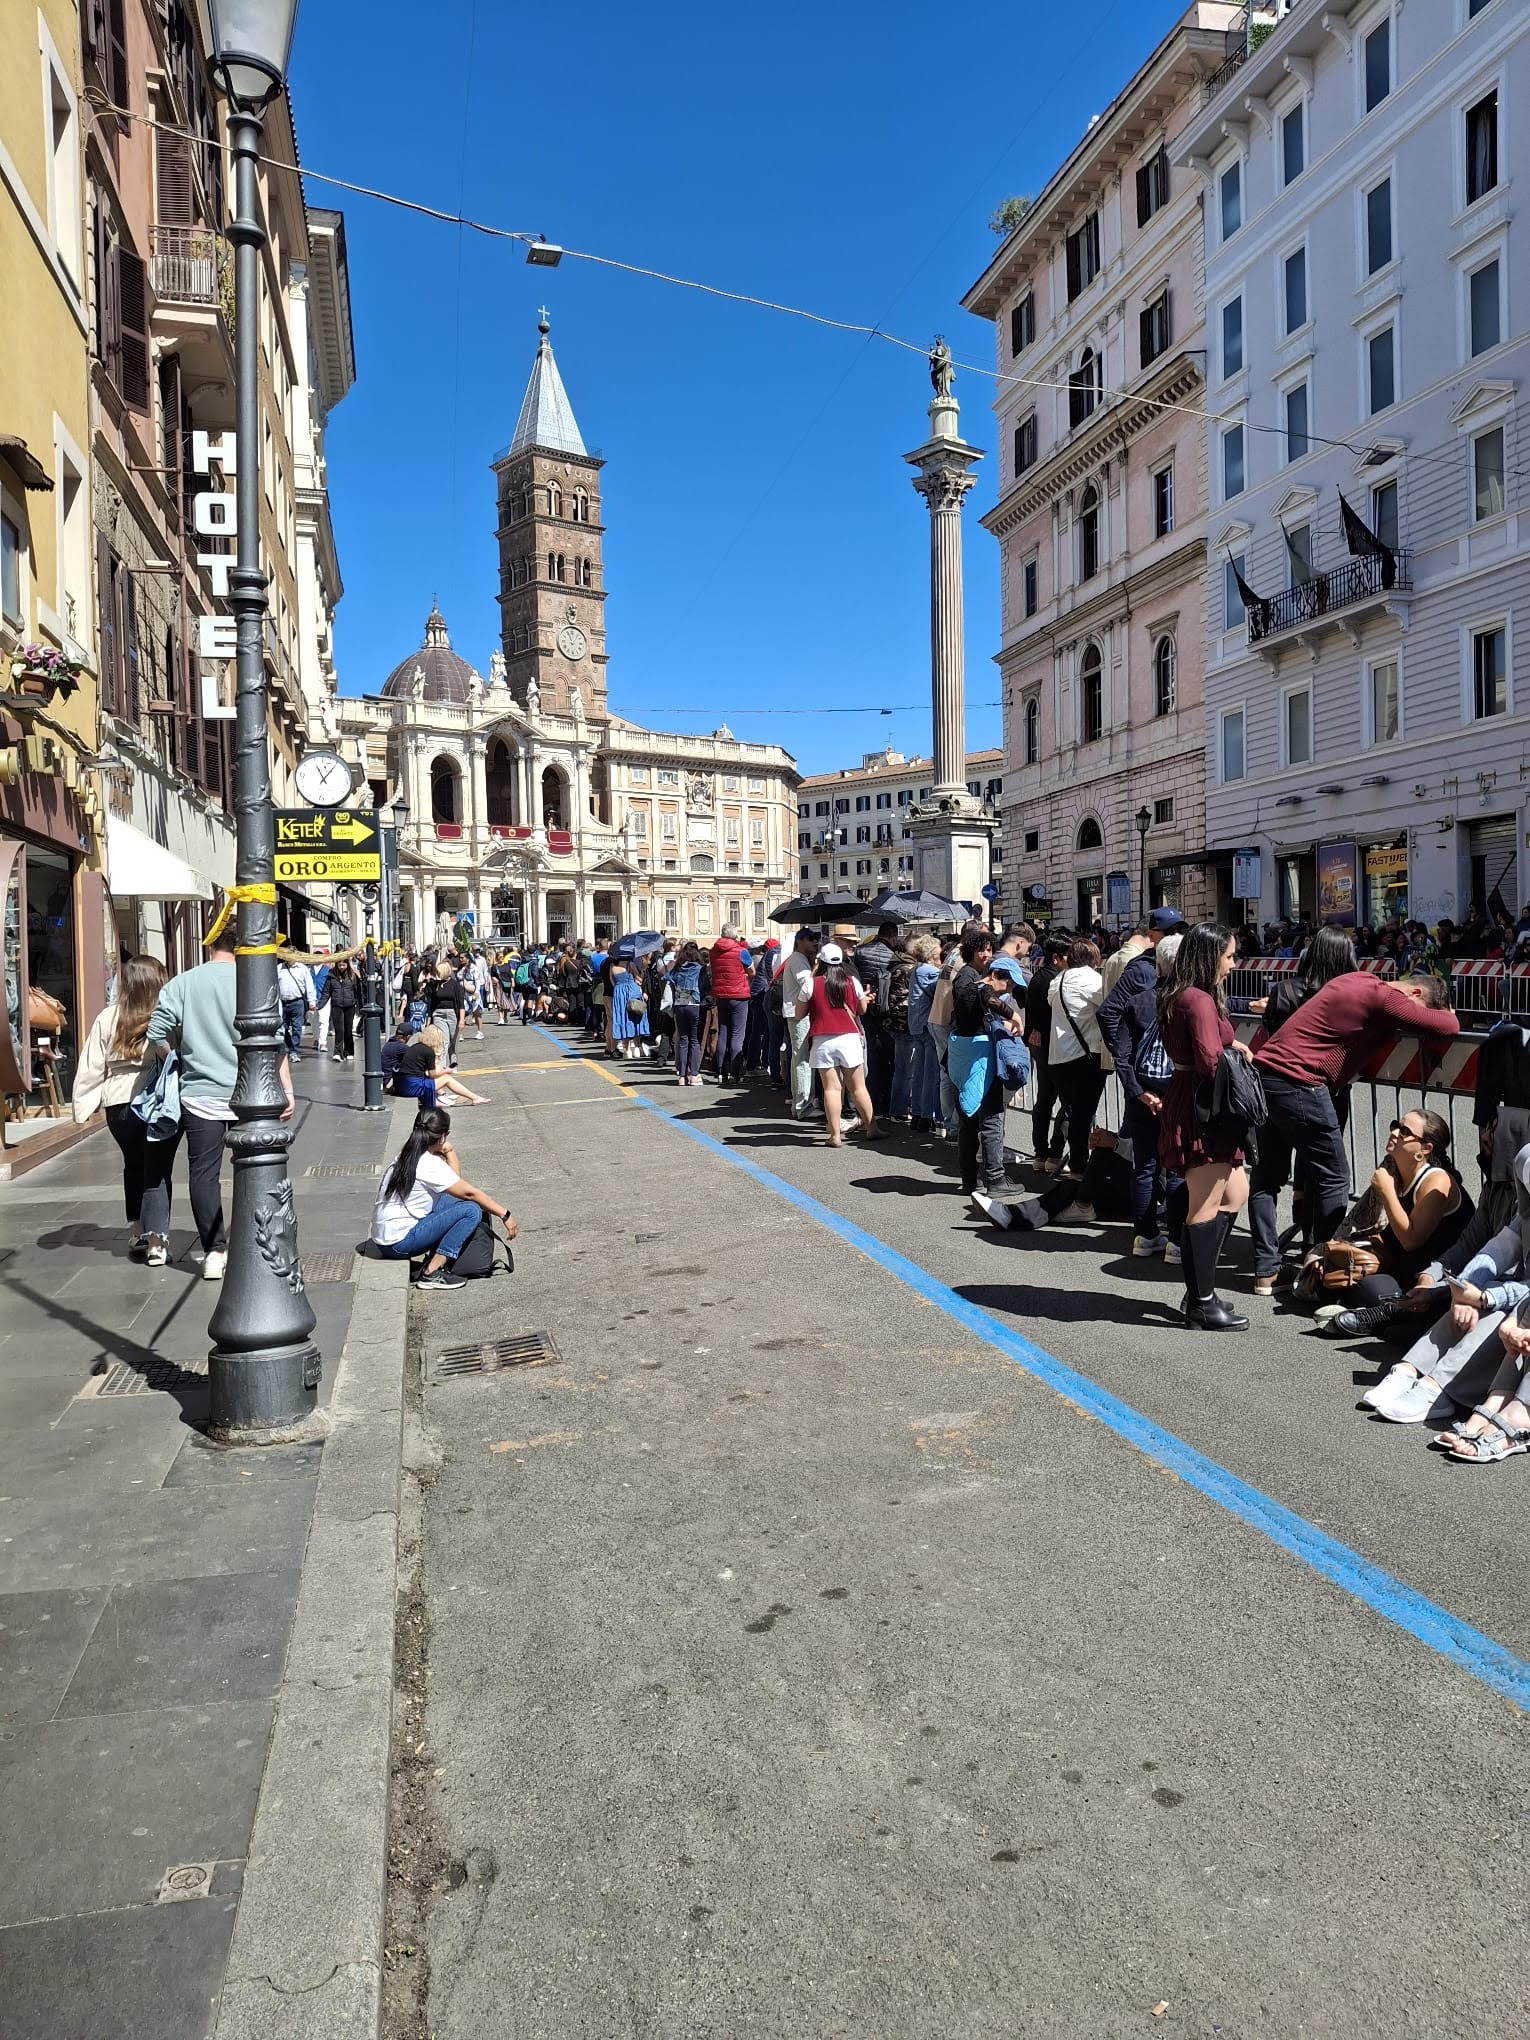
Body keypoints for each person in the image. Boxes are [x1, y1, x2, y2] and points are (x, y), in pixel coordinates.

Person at [1248, 968, 1461, 1296]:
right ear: (1416, 995)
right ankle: (1323, 1270)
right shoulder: (1384, 994)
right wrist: (1444, 1014)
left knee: (1267, 1177)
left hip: (1268, 1075)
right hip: (1301, 1081)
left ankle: (1266, 1270)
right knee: (1333, 1178)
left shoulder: (1356, 981)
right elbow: (1448, 1026)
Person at [146, 932, 295, 1278]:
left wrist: (176, 1058)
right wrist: (286, 1086)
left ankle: (214, 1250)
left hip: (200, 1094)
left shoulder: (183, 983)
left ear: (211, 946)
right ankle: (259, 1243)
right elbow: (275, 1040)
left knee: (203, 1173)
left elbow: (156, 1032)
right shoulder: (255, 983)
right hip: (252, 1091)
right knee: (256, 1168)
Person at [1157, 922, 1252, 1332]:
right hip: (1204, 1108)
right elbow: (1209, 1061)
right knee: (1205, 1204)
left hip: (1195, 1099)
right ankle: (1200, 1301)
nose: (1233, 963)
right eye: (1229, 956)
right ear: (1210, 956)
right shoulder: (1196, 1000)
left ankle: (1201, 1288)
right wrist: (1231, 1053)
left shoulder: (1188, 996)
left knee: (1236, 1192)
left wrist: (1231, 1044)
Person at [1307, 1111, 1471, 1320]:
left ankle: (1379, 1316)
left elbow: (1411, 1240)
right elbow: (1376, 1227)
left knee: (1370, 1290)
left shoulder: (1436, 1181)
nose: (1394, 1132)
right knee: (1336, 1277)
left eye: (1404, 1131)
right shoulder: (1394, 1169)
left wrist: (1386, 1191)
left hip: (1437, 1274)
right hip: (1405, 1264)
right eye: (1395, 1125)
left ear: (1425, 1148)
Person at [1097, 928, 1183, 1257]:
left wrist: (1135, 1090)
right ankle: (1176, 1240)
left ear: (1157, 965)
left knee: (1144, 1165)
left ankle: (1144, 1235)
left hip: (1142, 1091)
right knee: (1176, 1167)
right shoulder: (1190, 1001)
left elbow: (1122, 1049)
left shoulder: (1138, 1001)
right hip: (1176, 1094)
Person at [72, 955, 165, 1256]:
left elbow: (91, 1065)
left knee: (133, 1163)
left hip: (118, 1104)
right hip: (153, 1100)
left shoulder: (107, 1018)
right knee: (155, 1168)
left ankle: (137, 1227)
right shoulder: (162, 1016)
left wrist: (82, 1106)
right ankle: (155, 1240)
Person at [370, 1106, 516, 1290]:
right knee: (471, 1210)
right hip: (398, 1243)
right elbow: (468, 1191)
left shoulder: (409, 1153)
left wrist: (447, 1150)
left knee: (456, 1202)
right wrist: (505, 1214)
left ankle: (436, 1261)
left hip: (384, 1237)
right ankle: (432, 1272)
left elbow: (454, 1184)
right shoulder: (428, 1163)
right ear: (442, 1136)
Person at [948, 923, 1021, 1200]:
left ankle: (970, 1178)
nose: (988, 954)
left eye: (990, 949)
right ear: (972, 951)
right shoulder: (972, 979)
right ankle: (994, 1178)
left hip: (962, 1054)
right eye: (983, 949)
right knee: (989, 1119)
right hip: (976, 1055)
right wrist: (1012, 1014)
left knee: (968, 1118)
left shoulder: (967, 976)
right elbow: (986, 998)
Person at [793, 941, 877, 1147]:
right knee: (858, 1087)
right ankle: (872, 1128)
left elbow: (798, 1014)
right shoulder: (851, 981)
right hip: (849, 1038)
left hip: (822, 1039)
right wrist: (863, 999)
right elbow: (862, 1010)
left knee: (831, 1088)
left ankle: (835, 1135)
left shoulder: (811, 984)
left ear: (820, 961)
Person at [1047, 939, 1108, 1182]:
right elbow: (1109, 1004)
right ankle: (1080, 1168)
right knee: (1082, 1115)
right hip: (1085, 1055)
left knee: (1073, 1111)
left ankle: (1075, 1162)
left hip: (1059, 1055)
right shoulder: (1091, 979)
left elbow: (1052, 1002)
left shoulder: (1057, 980)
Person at [1024, 935, 1070, 1172]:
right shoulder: (1054, 981)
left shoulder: (1038, 977)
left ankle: (1040, 1153)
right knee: (1068, 1099)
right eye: (1067, 957)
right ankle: (1054, 1153)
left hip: (1039, 1042)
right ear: (1057, 958)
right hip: (1053, 1045)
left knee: (1044, 1098)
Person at [853, 920, 900, 1118]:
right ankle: (886, 1101)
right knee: (891, 1057)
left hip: (864, 1007)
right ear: (892, 937)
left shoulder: (860, 952)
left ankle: (870, 1099)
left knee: (868, 1055)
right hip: (886, 1010)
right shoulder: (894, 956)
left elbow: (854, 977)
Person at [898, 934, 943, 1132]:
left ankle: (917, 1113)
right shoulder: (930, 972)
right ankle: (927, 1115)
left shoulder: (917, 970)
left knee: (919, 1072)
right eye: (939, 955)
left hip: (915, 1024)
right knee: (930, 1074)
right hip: (927, 1025)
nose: (940, 960)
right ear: (931, 955)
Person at [779, 928, 820, 1118]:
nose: (815, 942)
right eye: (811, 939)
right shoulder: (797, 960)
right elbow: (807, 984)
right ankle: (803, 1105)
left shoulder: (798, 959)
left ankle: (799, 1104)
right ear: (800, 941)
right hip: (799, 1013)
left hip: (796, 1012)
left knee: (799, 1058)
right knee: (803, 1059)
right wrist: (816, 967)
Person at [708, 924, 753, 1085]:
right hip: (739, 995)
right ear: (735, 936)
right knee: (737, 1034)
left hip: (721, 995)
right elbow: (751, 971)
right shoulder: (741, 951)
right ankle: (735, 1072)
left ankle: (720, 1071)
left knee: (723, 1032)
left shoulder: (713, 951)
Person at [410, 1025, 489, 1106]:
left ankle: (438, 1097)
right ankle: (475, 1098)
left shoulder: (417, 1048)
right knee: (446, 1078)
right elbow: (433, 1073)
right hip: (413, 1087)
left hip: (410, 1082)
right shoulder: (428, 1052)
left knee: (440, 1076)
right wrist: (446, 1069)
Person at [666, 940, 707, 1086]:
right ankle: (694, 1074)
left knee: (683, 1040)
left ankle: (682, 1076)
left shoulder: (677, 968)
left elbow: (667, 979)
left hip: (679, 1005)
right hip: (694, 1005)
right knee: (695, 1041)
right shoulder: (700, 969)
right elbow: (704, 986)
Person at [427, 955, 464, 1068]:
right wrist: (428, 1021)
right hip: (438, 1014)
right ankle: (442, 1066)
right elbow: (431, 1004)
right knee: (444, 1041)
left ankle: (453, 1061)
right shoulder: (435, 985)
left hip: (452, 1014)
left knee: (453, 1040)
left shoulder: (454, 984)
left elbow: (461, 1003)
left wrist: (461, 1019)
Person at [277, 955, 314, 1060]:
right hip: (282, 1002)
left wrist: (312, 1001)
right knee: (282, 1027)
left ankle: (294, 1051)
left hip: (297, 1002)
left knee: (297, 1028)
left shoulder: (302, 968)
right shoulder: (279, 968)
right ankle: (290, 1045)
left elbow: (309, 985)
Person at [326, 958, 359, 1062]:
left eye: (343, 965)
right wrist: (319, 1005)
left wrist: (360, 1006)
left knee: (348, 1030)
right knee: (339, 1030)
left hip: (350, 1005)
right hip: (337, 1005)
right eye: (339, 965)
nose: (341, 967)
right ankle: (337, 1053)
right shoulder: (331, 976)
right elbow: (326, 992)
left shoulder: (352, 976)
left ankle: (349, 1051)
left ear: (347, 965)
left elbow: (358, 991)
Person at [311, 955, 332, 1056]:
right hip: (312, 998)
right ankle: (316, 1039)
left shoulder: (327, 970)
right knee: (313, 1020)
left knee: (323, 1020)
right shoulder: (308, 969)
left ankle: (323, 1042)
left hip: (324, 997)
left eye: (320, 954)